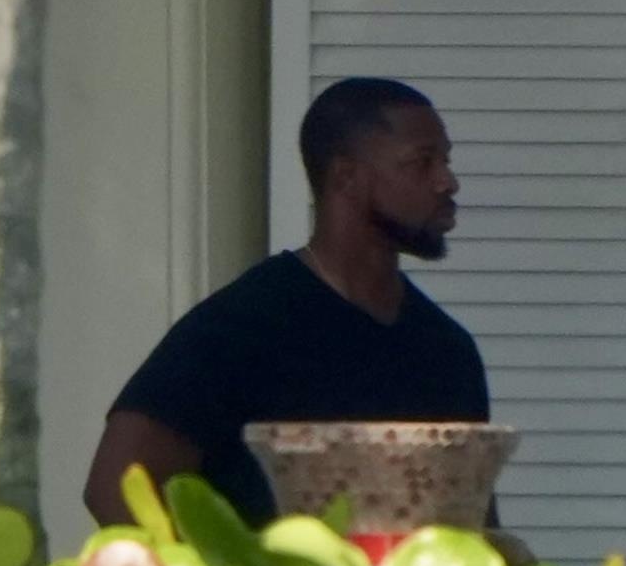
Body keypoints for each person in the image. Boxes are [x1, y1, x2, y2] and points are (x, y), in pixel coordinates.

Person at [84, 77, 490, 527]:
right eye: (422, 163)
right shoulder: (242, 328)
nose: (446, 182)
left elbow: (473, 520)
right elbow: (115, 488)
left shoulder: (445, 349)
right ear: (347, 177)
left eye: (446, 161)